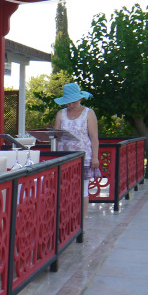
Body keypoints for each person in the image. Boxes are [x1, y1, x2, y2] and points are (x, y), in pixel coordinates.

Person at [53, 82, 99, 215]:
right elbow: (55, 136)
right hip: (64, 157)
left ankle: (81, 219)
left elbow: (94, 137)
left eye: (73, 101)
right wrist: (54, 156)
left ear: (80, 99)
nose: (71, 105)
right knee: (64, 189)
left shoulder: (88, 113)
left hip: (83, 157)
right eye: (68, 102)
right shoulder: (61, 114)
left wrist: (95, 157)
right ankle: (66, 217)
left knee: (83, 190)